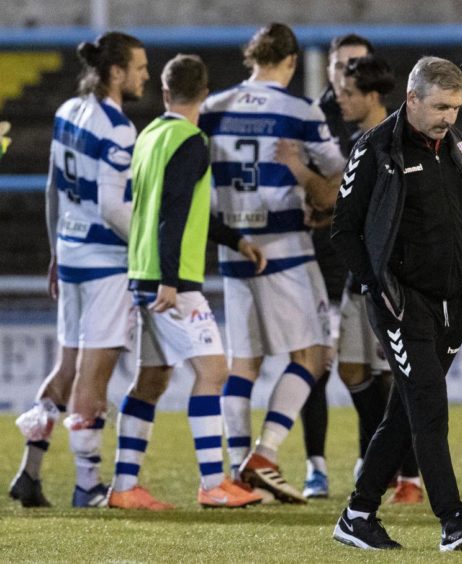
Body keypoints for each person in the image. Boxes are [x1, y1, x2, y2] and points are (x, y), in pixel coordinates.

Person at [330, 56, 462, 552]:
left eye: (457, 107)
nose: (449, 116)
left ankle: (357, 514)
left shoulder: (459, 145)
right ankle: (452, 519)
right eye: (441, 106)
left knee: (404, 411)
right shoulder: (376, 147)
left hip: (452, 305)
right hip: (400, 302)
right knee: (428, 404)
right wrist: (377, 288)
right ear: (413, 99)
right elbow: (345, 231)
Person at [107, 53, 266, 509]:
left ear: (164, 92)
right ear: (205, 94)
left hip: (142, 272)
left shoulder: (150, 135)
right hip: (171, 280)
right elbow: (174, 213)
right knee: (213, 372)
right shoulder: (191, 140)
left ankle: (123, 487)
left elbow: (175, 208)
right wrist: (173, 281)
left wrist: (236, 240)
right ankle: (214, 484)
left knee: (151, 379)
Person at [202, 23, 346, 504]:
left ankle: (239, 475)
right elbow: (339, 172)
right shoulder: (300, 110)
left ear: (252, 58)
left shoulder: (213, 107)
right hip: (284, 244)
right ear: (290, 62)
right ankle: (264, 455)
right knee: (312, 355)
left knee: (244, 363)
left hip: (233, 247)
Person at [9, 32, 148, 509]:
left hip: (70, 256)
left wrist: (54, 251)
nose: (144, 76)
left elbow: (53, 188)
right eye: (139, 67)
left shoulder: (67, 111)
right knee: (93, 377)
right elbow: (112, 205)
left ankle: (30, 473)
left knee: (66, 369)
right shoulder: (117, 127)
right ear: (116, 73)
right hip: (106, 262)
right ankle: (88, 485)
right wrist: (146, 248)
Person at [334, 55, 424, 504]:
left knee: (394, 377)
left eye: (348, 93)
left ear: (372, 96)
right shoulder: (360, 141)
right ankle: (382, 460)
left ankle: (409, 476)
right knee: (350, 370)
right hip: (361, 276)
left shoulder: (392, 142)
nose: (339, 99)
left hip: (391, 279)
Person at [289, 32, 375, 499]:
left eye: (358, 64)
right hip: (320, 251)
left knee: (369, 367)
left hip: (361, 257)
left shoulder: (378, 116)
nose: (349, 72)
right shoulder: (314, 116)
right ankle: (315, 465)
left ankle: (373, 461)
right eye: (343, 64)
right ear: (328, 68)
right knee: (315, 360)